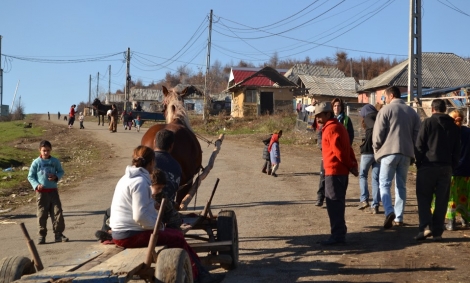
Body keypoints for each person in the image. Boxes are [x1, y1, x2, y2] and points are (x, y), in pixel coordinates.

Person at [109, 146, 224, 283]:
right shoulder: (140, 182)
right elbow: (140, 216)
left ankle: (201, 273)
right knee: (177, 237)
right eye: (154, 163)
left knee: (173, 235)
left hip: (121, 232)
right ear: (151, 162)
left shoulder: (126, 179)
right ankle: (200, 276)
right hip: (130, 235)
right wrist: (161, 227)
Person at [372, 86, 421, 229]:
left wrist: (377, 149)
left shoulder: (385, 110)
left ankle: (389, 211)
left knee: (384, 184)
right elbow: (417, 136)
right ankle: (399, 217)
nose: (384, 99)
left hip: (388, 152)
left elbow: (378, 134)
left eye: (385, 97)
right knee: (401, 186)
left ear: (391, 95)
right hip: (406, 153)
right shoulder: (412, 113)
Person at [414, 99, 460, 241]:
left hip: (428, 165)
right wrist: (452, 165)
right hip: (446, 167)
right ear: (445, 109)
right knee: (442, 200)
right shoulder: (453, 126)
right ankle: (438, 231)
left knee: (423, 197)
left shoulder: (428, 123)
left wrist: (419, 162)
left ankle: (426, 227)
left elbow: (419, 145)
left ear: (433, 109)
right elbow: (457, 149)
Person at [314, 102, 358, 245]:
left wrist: (350, 164)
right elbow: (348, 149)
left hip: (334, 171)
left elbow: (339, 153)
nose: (318, 119)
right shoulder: (338, 127)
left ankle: (338, 235)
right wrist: (351, 165)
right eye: (316, 116)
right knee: (337, 203)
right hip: (338, 172)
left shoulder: (331, 129)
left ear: (328, 114)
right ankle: (340, 232)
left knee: (334, 204)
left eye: (320, 116)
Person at [27, 140, 68, 245]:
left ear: (51, 150)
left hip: (53, 191)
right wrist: (36, 185)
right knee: (42, 214)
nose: (46, 153)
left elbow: (61, 171)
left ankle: (58, 234)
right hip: (42, 193)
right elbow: (30, 176)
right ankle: (42, 235)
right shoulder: (36, 162)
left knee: (57, 212)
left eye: (48, 150)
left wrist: (56, 177)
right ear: (40, 150)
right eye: (44, 150)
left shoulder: (55, 161)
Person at [443, 110, 470, 231]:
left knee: (451, 197)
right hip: (468, 170)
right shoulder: (468, 132)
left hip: (452, 170)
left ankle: (451, 222)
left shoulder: (448, 133)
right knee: (465, 195)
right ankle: (465, 219)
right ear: (463, 119)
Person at [358, 104, 381, 213]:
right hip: (379, 153)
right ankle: (375, 205)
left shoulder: (368, 117)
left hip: (368, 152)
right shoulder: (380, 117)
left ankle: (364, 199)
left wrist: (364, 144)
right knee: (375, 179)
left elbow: (372, 130)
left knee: (363, 175)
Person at [154, 129, 182, 203]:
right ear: (171, 146)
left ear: (154, 142)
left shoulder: (146, 160)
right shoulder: (177, 166)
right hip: (167, 210)